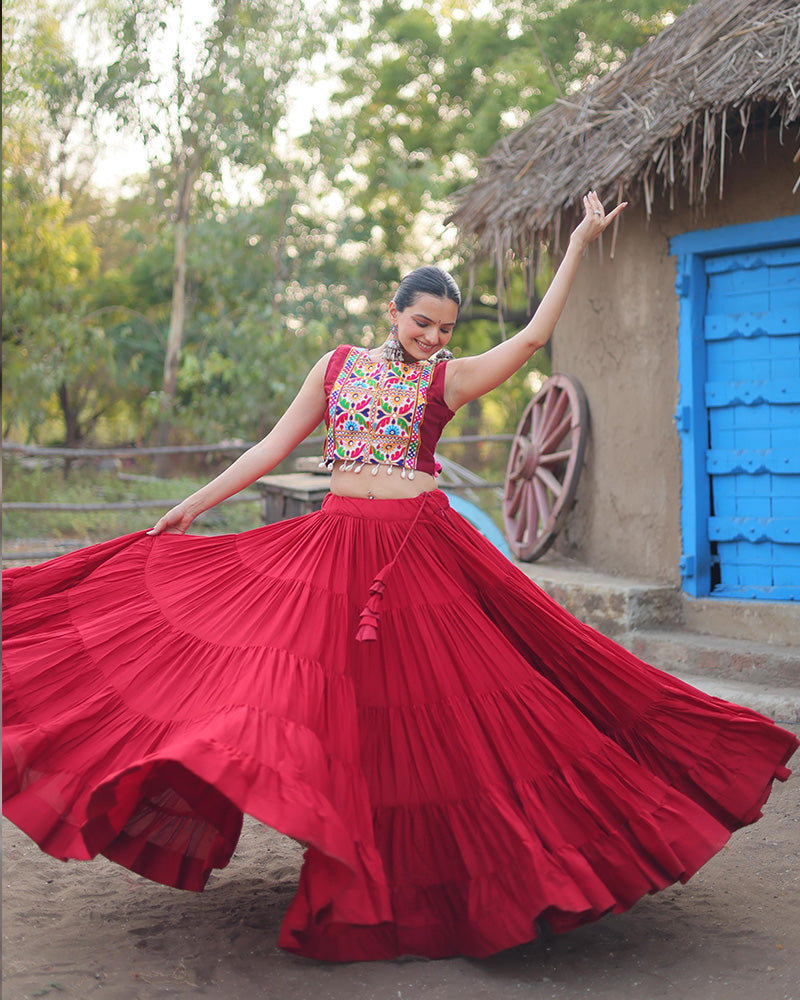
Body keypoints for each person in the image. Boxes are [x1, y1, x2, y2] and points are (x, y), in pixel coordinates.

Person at [3, 192, 797, 963]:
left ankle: (445, 875)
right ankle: (347, 855)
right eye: (422, 323)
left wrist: (578, 247)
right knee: (298, 693)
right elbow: (271, 447)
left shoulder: (444, 380)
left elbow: (530, 340)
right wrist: (193, 504)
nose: (432, 337)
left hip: (416, 556)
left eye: (445, 329)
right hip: (335, 550)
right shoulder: (336, 367)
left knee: (435, 714)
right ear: (393, 311)